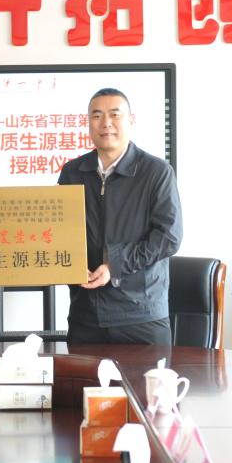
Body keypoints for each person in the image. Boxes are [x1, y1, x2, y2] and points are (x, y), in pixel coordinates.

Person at [57, 88, 182, 345]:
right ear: (88, 123)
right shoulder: (72, 172)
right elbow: (60, 231)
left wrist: (113, 265)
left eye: (115, 114)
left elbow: (168, 238)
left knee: (147, 376)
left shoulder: (156, 172)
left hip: (140, 316)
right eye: (97, 116)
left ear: (131, 121)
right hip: (85, 315)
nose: (106, 123)